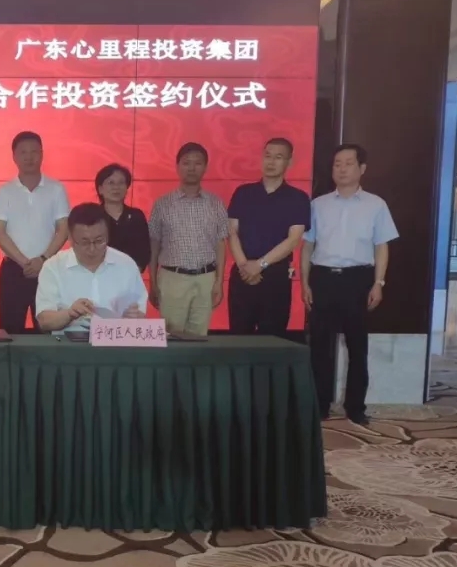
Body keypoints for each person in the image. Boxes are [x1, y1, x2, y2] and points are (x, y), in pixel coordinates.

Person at [302, 143, 398, 426]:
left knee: (358, 347)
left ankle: (355, 407)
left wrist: (378, 283)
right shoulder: (317, 204)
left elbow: (382, 246)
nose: (342, 169)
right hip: (322, 278)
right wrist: (305, 283)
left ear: (362, 168)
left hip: (358, 280)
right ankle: (319, 405)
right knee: (319, 347)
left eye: (348, 163)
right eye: (337, 164)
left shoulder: (376, 205)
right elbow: (307, 246)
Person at [226, 138, 311, 337]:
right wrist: (244, 266)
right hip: (242, 273)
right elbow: (231, 232)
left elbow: (293, 239)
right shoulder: (243, 193)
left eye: (278, 157)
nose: (271, 162)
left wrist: (260, 265)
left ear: (289, 162)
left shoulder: (298, 198)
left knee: (272, 339)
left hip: (276, 276)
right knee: (238, 338)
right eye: (267, 156)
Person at [0, 131, 70, 333]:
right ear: (14, 157)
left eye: (34, 151)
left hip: (48, 268)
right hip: (13, 270)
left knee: (48, 331)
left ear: (42, 154)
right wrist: (25, 262)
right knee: (9, 331)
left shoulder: (56, 189)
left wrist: (42, 259)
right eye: (23, 152)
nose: (29, 157)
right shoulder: (5, 191)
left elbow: (63, 229)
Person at [148, 142, 228, 336]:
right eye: (186, 163)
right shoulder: (162, 204)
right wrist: (152, 282)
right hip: (172, 278)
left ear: (205, 167)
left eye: (197, 163)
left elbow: (220, 244)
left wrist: (219, 281)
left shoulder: (216, 203)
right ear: (177, 167)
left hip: (206, 278)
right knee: (171, 336)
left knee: (199, 337)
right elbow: (154, 245)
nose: (192, 168)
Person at [36, 203, 148, 331]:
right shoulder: (53, 267)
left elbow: (140, 313)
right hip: (68, 341)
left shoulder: (126, 265)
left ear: (108, 235)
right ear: (70, 238)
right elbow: (44, 321)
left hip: (115, 339)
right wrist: (69, 314)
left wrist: (134, 318)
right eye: (84, 242)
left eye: (99, 241)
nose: (92, 249)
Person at [95, 163, 150, 272]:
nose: (116, 187)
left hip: (130, 274)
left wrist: (130, 273)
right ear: (100, 189)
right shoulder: (93, 216)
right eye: (111, 183)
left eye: (121, 183)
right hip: (98, 274)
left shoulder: (136, 216)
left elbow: (144, 251)